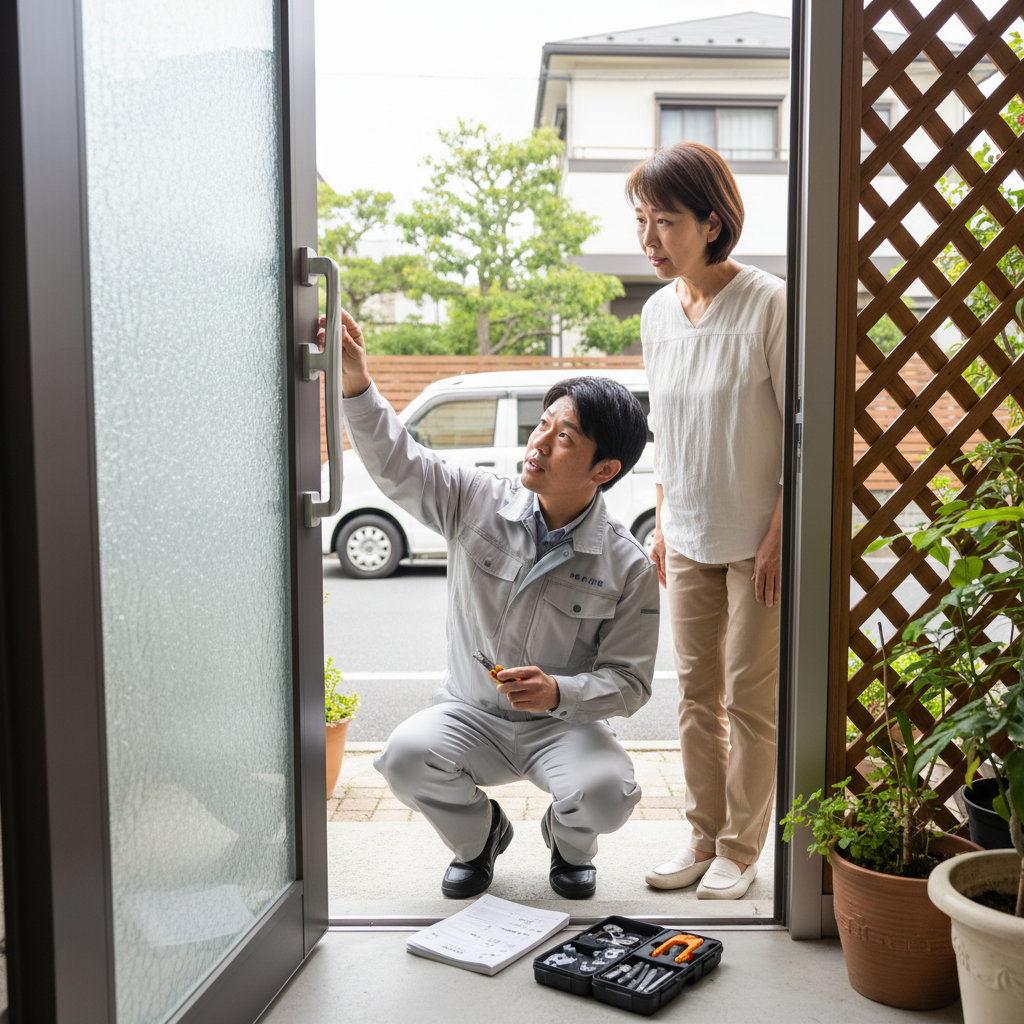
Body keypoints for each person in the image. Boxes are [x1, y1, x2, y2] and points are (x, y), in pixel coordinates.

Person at [326, 310, 659, 899]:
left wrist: (560, 692)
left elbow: (630, 683)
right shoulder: (475, 500)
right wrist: (356, 382)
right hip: (470, 715)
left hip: (561, 727)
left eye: (565, 438)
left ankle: (568, 841)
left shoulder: (627, 564)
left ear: (603, 470)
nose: (539, 443)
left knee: (610, 791)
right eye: (544, 424)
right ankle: (480, 837)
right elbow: (396, 461)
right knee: (403, 755)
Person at [630, 142, 785, 900]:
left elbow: (801, 432)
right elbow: (667, 434)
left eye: (665, 221)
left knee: (750, 699)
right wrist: (662, 523)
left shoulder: (769, 302)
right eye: (640, 221)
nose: (649, 239)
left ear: (712, 221)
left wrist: (781, 533)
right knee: (695, 696)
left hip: (759, 541)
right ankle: (701, 835)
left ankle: (740, 847)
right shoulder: (657, 313)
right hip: (685, 535)